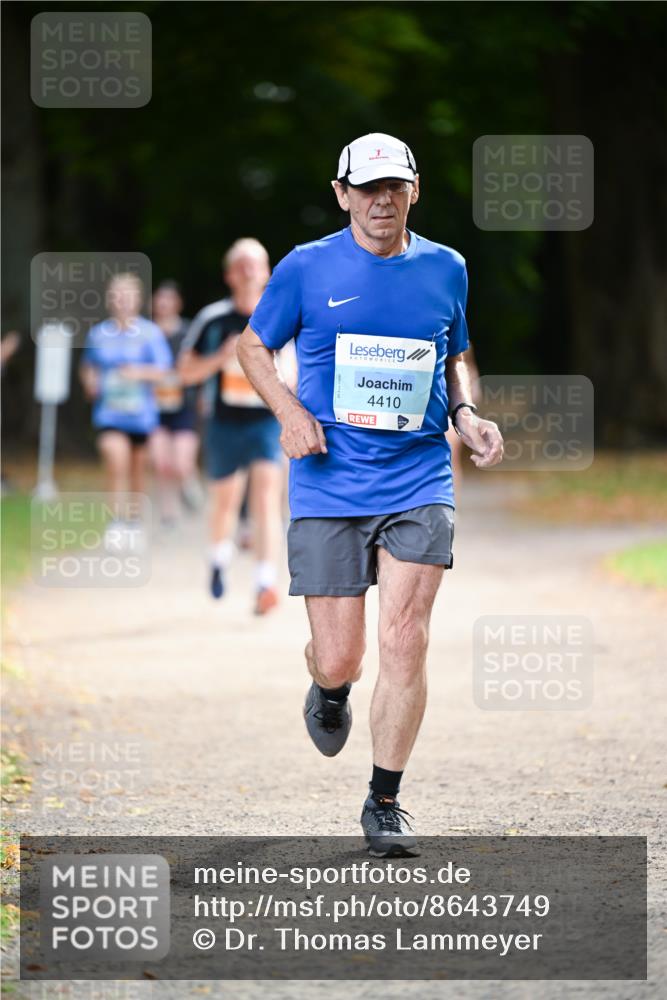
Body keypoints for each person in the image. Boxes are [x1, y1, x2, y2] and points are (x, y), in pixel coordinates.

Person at [237, 133, 504, 856]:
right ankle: (328, 689)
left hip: (419, 476)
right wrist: (290, 414)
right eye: (366, 188)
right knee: (341, 656)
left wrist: (466, 414)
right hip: (328, 481)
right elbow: (252, 348)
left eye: (393, 187)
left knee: (406, 639)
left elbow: (454, 357)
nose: (379, 200)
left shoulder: (446, 267)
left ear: (414, 189)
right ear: (341, 193)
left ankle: (384, 800)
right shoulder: (305, 267)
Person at [178, 239, 290, 615]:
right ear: (229, 275)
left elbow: (297, 373)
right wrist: (222, 357)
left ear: (267, 272)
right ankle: (218, 556)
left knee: (266, 498)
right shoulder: (213, 319)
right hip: (224, 422)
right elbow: (184, 371)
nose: (247, 271)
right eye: (240, 265)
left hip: (265, 422)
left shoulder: (281, 316)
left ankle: (265, 583)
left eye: (254, 265)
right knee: (225, 501)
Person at [80, 272, 171, 528]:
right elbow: (89, 366)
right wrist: (90, 381)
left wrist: (137, 372)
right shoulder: (99, 334)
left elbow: (164, 370)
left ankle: (134, 520)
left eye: (127, 296)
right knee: (115, 459)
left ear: (137, 300)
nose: (122, 301)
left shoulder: (150, 333)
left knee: (136, 470)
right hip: (109, 413)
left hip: (140, 415)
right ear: (110, 300)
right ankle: (115, 520)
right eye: (117, 296)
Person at [149, 281, 201, 525]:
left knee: (180, 462)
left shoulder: (190, 332)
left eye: (169, 298)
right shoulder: (146, 333)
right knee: (161, 462)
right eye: (160, 298)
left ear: (178, 303)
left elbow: (200, 365)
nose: (163, 303)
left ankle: (188, 483)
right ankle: (168, 513)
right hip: (152, 405)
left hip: (184, 404)